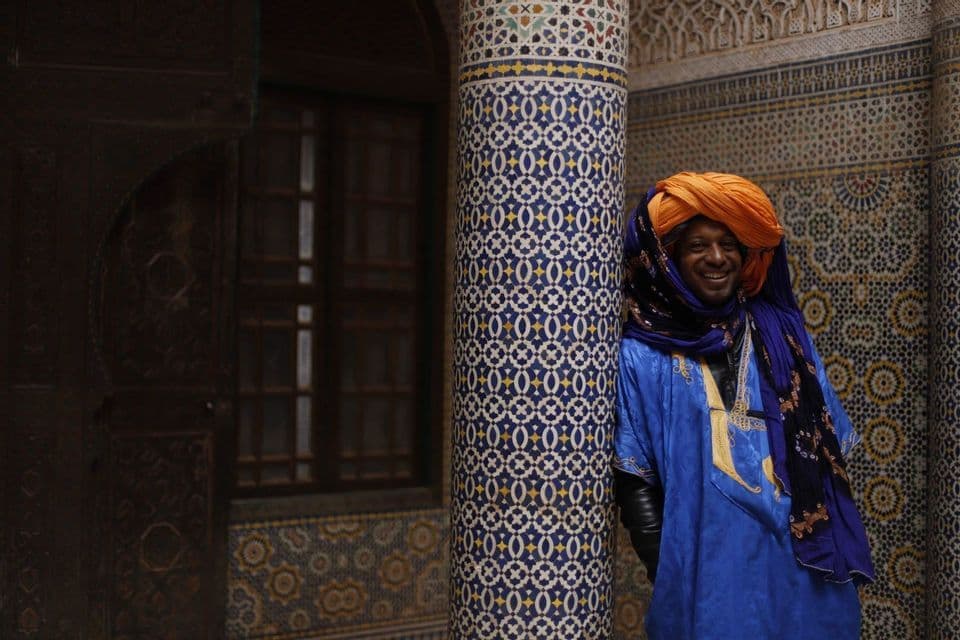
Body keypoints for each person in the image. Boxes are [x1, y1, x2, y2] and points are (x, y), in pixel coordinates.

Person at [613, 172, 874, 639]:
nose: (717, 258)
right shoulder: (641, 355)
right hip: (709, 580)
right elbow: (636, 484)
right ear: (669, 258)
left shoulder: (785, 337)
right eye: (697, 245)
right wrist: (671, 569)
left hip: (804, 577)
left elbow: (829, 462)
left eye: (729, 244)